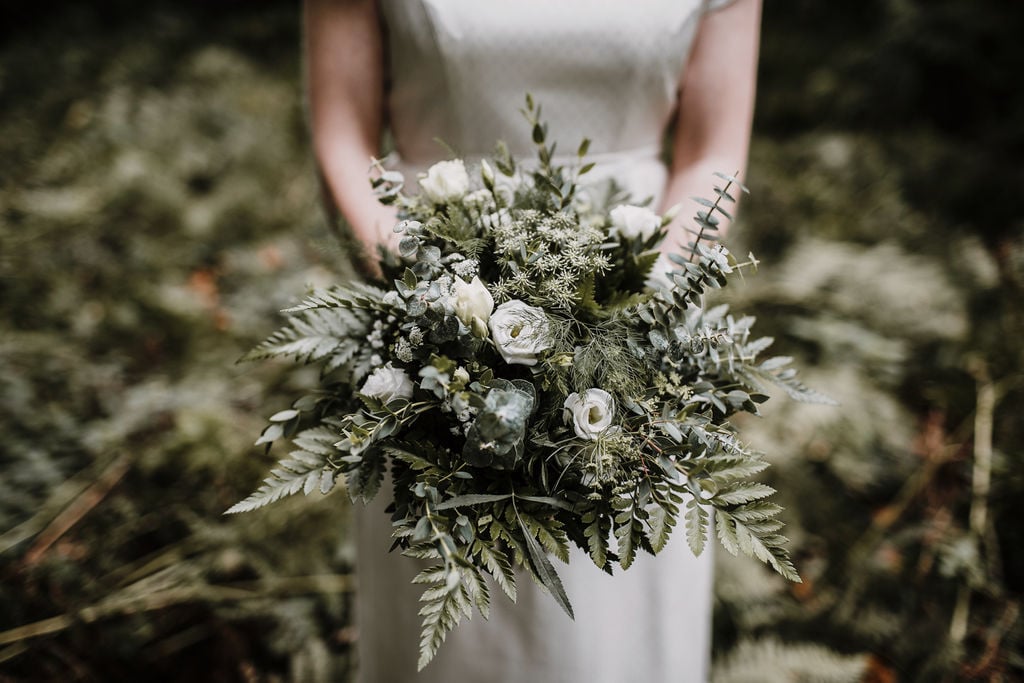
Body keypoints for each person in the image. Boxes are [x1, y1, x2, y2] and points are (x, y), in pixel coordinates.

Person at [304, 1, 761, 680]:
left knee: (619, 633)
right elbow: (342, 135)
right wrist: (436, 299)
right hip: (434, 328)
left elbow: (712, 153)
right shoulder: (434, 315)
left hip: (638, 336)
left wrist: (640, 307)